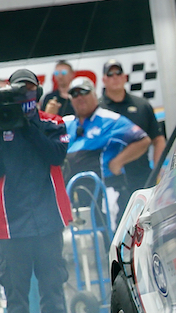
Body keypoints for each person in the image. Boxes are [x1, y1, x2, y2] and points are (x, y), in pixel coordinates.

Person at [0, 69, 78, 313]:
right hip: (10, 224)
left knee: (52, 287)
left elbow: (55, 154)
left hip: (48, 219)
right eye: (19, 89)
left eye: (30, 88)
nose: (25, 94)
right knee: (15, 293)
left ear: (37, 91)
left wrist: (29, 123)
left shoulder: (53, 122)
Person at [63, 76, 151, 223]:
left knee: (108, 239)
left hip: (106, 194)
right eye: (74, 94)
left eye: (84, 92)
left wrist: (118, 162)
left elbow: (143, 140)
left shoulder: (110, 119)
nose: (79, 97)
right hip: (75, 196)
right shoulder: (66, 123)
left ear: (94, 94)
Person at [99, 59, 165, 191]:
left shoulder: (142, 105)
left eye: (118, 73)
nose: (115, 77)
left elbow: (158, 140)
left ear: (124, 77)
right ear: (104, 80)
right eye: (110, 74)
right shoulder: (98, 110)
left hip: (142, 178)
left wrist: (158, 171)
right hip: (111, 182)